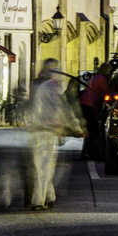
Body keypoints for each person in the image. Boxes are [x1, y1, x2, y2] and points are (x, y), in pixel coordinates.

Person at [26, 59, 76, 210]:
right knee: (44, 167)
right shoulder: (50, 87)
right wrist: (74, 127)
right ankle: (38, 201)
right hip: (45, 130)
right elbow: (61, 109)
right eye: (55, 70)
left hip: (38, 129)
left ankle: (50, 196)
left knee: (45, 165)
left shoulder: (37, 84)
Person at [79, 66, 111, 160]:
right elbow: (105, 91)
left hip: (86, 102)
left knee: (89, 129)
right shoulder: (101, 78)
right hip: (90, 104)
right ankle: (88, 152)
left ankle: (87, 151)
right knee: (92, 130)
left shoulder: (96, 77)